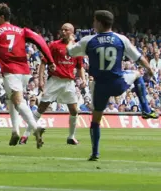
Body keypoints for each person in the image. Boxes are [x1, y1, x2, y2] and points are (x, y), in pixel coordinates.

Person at [67, 10, 158, 161]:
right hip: (118, 83)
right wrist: (149, 69)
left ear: (100, 23)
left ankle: (95, 153)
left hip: (100, 86)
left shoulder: (89, 40)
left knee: (95, 119)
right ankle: (146, 110)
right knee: (136, 73)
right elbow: (139, 58)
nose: (93, 24)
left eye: (95, 21)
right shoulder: (121, 39)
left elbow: (70, 52)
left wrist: (71, 39)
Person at [0, 3, 55, 149]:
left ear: (2, 17)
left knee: (18, 101)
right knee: (10, 99)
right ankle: (15, 131)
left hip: (10, 70)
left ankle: (35, 127)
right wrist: (50, 60)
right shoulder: (22, 30)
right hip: (25, 72)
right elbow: (40, 41)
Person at [21, 23, 86, 145]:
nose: (63, 31)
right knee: (41, 108)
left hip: (69, 82)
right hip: (54, 80)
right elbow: (43, 63)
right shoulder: (54, 45)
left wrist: (83, 79)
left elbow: (79, 66)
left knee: (74, 110)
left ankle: (71, 137)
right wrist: (41, 80)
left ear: (72, 32)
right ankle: (25, 135)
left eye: (66, 30)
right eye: (62, 29)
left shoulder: (77, 48)